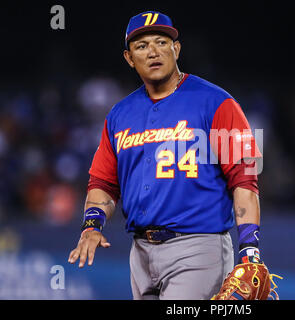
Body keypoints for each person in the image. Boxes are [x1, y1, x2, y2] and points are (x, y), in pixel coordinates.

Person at [68, 10, 263, 300]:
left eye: (161, 42)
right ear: (129, 58)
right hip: (141, 253)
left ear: (177, 48)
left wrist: (250, 250)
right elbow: (103, 184)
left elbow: (244, 181)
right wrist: (91, 226)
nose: (153, 52)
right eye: (142, 46)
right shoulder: (119, 115)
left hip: (198, 248)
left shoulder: (217, 102)